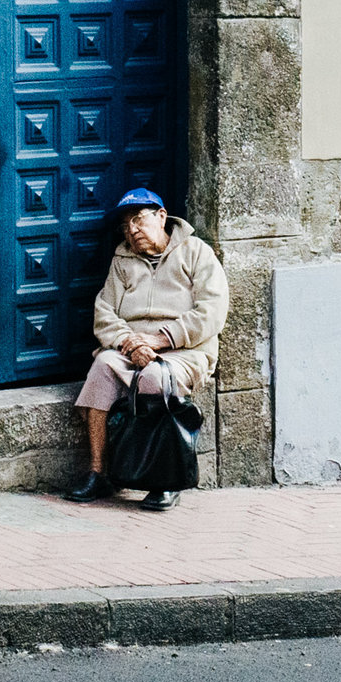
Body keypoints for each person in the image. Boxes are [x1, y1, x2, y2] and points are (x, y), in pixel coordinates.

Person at [64, 187, 227, 511]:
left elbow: (213, 309)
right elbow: (104, 313)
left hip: (185, 350)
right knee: (101, 369)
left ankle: (164, 481)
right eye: (125, 226)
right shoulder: (122, 260)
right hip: (131, 347)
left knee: (154, 377)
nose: (132, 230)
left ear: (162, 216)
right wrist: (128, 342)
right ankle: (98, 473)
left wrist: (163, 339)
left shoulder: (195, 252)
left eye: (138, 220)